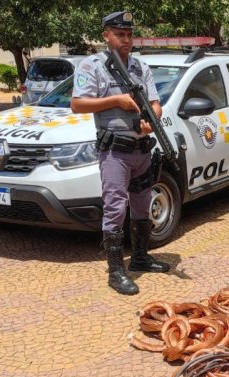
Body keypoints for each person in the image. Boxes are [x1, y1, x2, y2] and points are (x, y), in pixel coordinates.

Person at [71, 11, 169, 295]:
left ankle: (140, 257)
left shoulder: (140, 67)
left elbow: (155, 103)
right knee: (115, 208)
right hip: (115, 151)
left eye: (129, 35)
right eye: (119, 35)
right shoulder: (93, 66)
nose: (126, 40)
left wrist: (153, 120)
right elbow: (77, 105)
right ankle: (115, 271)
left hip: (141, 150)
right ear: (106, 36)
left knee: (141, 205)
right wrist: (116, 101)